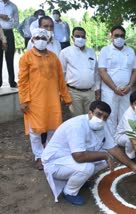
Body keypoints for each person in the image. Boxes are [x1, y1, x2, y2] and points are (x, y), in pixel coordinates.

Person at [41, 100, 136, 205]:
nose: (101, 119)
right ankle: (69, 192)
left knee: (104, 160)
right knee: (87, 167)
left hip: (69, 159)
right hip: (55, 163)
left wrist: (133, 167)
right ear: (90, 113)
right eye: (98, 114)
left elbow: (113, 149)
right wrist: (105, 155)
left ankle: (78, 180)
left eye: (105, 117)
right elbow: (78, 157)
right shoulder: (76, 125)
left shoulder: (102, 125)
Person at [18, 28, 72, 170]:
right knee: (35, 131)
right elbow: (22, 81)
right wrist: (23, 100)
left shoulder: (54, 57)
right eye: (37, 37)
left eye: (43, 38)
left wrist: (66, 97)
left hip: (53, 99)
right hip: (34, 100)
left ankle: (47, 154)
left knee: (54, 128)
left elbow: (61, 79)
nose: (40, 40)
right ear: (32, 40)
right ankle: (38, 157)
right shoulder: (26, 57)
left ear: (48, 40)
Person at [98, 25, 136, 136]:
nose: (119, 38)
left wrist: (129, 86)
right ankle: (110, 142)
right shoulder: (105, 50)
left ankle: (122, 140)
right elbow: (102, 71)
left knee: (125, 116)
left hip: (126, 91)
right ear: (111, 36)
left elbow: (134, 71)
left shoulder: (130, 51)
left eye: (122, 36)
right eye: (116, 35)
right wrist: (114, 88)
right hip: (110, 91)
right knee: (109, 116)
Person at [59, 27, 100, 117]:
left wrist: (97, 90)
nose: (80, 39)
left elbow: (96, 72)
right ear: (72, 37)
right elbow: (61, 74)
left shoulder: (91, 52)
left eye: (83, 36)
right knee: (76, 120)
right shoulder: (65, 52)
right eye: (77, 36)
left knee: (91, 118)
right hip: (74, 93)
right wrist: (63, 94)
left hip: (90, 92)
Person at [115, 91, 136, 169]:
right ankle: (131, 158)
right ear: (131, 104)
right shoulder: (128, 115)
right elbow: (132, 137)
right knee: (130, 140)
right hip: (122, 136)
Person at [0, 0, 19, 88]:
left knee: (10, 57)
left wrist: (8, 19)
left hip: (9, 32)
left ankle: (12, 81)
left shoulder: (13, 6)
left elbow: (16, 23)